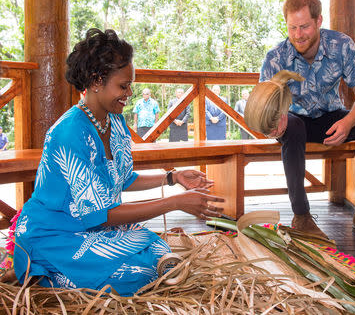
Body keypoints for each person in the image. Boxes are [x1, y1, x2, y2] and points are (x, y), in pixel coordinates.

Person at [12, 28, 224, 296]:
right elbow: (99, 217)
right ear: (96, 80)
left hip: (90, 227)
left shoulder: (114, 121)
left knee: (154, 245)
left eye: (130, 85)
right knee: (134, 275)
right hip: (56, 233)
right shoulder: (69, 133)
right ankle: (43, 272)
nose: (130, 93)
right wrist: (174, 203)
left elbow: (122, 179)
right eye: (123, 86)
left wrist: (172, 178)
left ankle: (63, 272)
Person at [258, 0, 355, 243]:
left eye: (304, 26)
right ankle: (301, 216)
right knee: (292, 127)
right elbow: (263, 108)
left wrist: (348, 123)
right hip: (293, 122)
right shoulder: (275, 57)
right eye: (292, 27)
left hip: (332, 118)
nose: (298, 34)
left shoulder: (342, 45)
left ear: (318, 21)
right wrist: (273, 123)